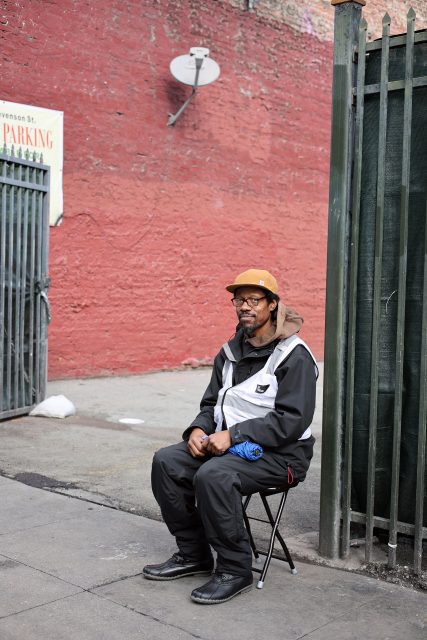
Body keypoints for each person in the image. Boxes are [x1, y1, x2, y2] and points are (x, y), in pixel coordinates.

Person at [143, 268, 318, 604]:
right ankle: (193, 554)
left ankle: (235, 570)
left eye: (254, 299)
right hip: (230, 445)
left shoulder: (294, 355)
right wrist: (199, 428)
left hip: (282, 455)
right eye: (239, 300)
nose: (244, 306)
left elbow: (292, 421)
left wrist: (234, 435)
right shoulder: (230, 351)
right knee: (167, 461)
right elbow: (213, 403)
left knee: (214, 475)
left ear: (272, 305)